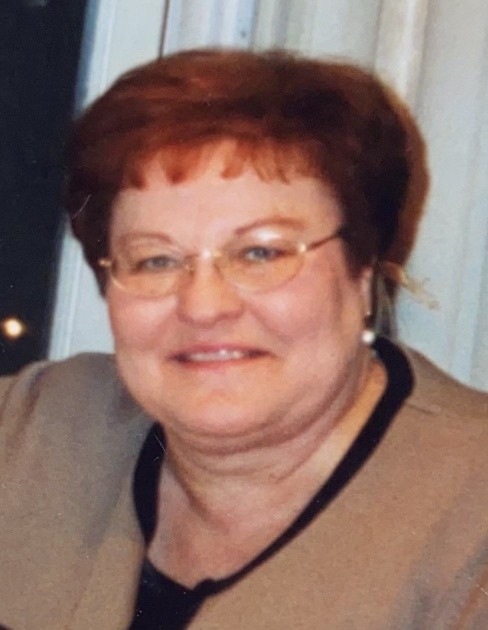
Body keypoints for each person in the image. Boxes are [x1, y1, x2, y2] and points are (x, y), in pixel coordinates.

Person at [1, 48, 487, 630]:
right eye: (156, 260)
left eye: (261, 253)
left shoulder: (471, 526)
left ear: (362, 270)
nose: (204, 306)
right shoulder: (30, 432)